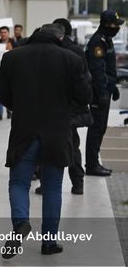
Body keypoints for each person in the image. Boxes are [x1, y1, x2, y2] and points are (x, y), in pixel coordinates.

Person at [0, 24, 91, 258]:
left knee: (18, 183)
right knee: (52, 187)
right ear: (58, 38)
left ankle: (20, 223)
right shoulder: (71, 59)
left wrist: (20, 106)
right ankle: (49, 243)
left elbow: (2, 95)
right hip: (57, 131)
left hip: (23, 130)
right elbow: (85, 96)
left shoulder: (11, 58)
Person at [34, 18, 93, 196]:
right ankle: (77, 183)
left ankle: (46, 184)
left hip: (53, 109)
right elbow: (85, 80)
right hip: (71, 110)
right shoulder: (76, 51)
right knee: (73, 146)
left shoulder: (52, 50)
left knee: (47, 146)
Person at [85, 10, 124, 177]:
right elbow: (97, 70)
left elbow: (107, 69)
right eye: (115, 25)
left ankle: (94, 163)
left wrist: (112, 86)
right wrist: (102, 92)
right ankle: (92, 165)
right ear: (107, 25)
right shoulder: (98, 42)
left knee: (100, 128)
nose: (117, 28)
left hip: (105, 89)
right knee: (96, 128)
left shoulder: (106, 40)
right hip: (98, 92)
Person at [0, 26, 18, 121]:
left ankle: (9, 111)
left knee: (12, 90)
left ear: (8, 33)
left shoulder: (14, 43)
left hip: (12, 70)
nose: (3, 34)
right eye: (1, 32)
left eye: (5, 32)